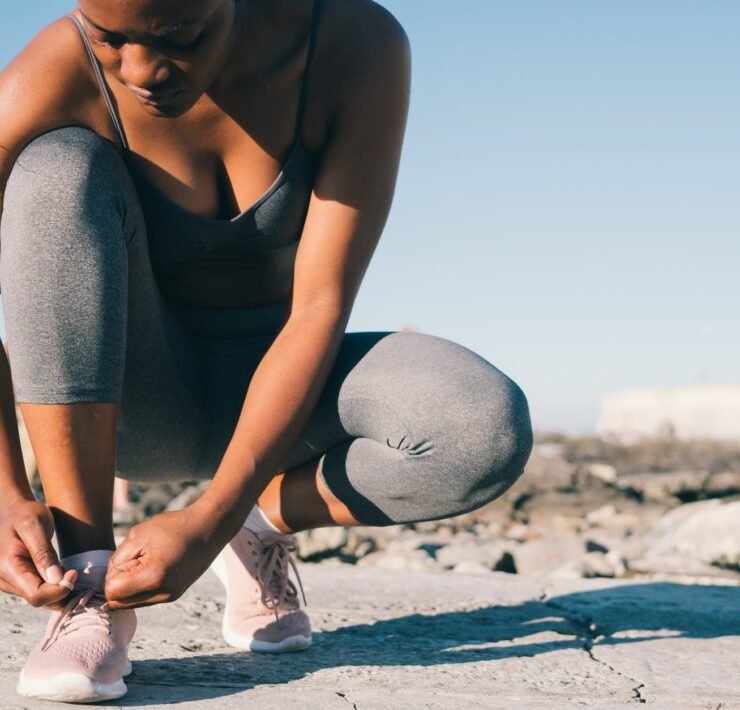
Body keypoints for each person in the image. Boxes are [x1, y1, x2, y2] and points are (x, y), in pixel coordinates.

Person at [0, 0, 533, 703]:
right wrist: (5, 486)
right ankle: (89, 581)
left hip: (290, 395)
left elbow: (319, 307)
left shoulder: (355, 45)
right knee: (54, 169)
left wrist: (219, 512)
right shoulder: (54, 71)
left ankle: (255, 528)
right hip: (135, 401)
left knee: (479, 427)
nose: (142, 70)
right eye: (110, 38)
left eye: (178, 36)